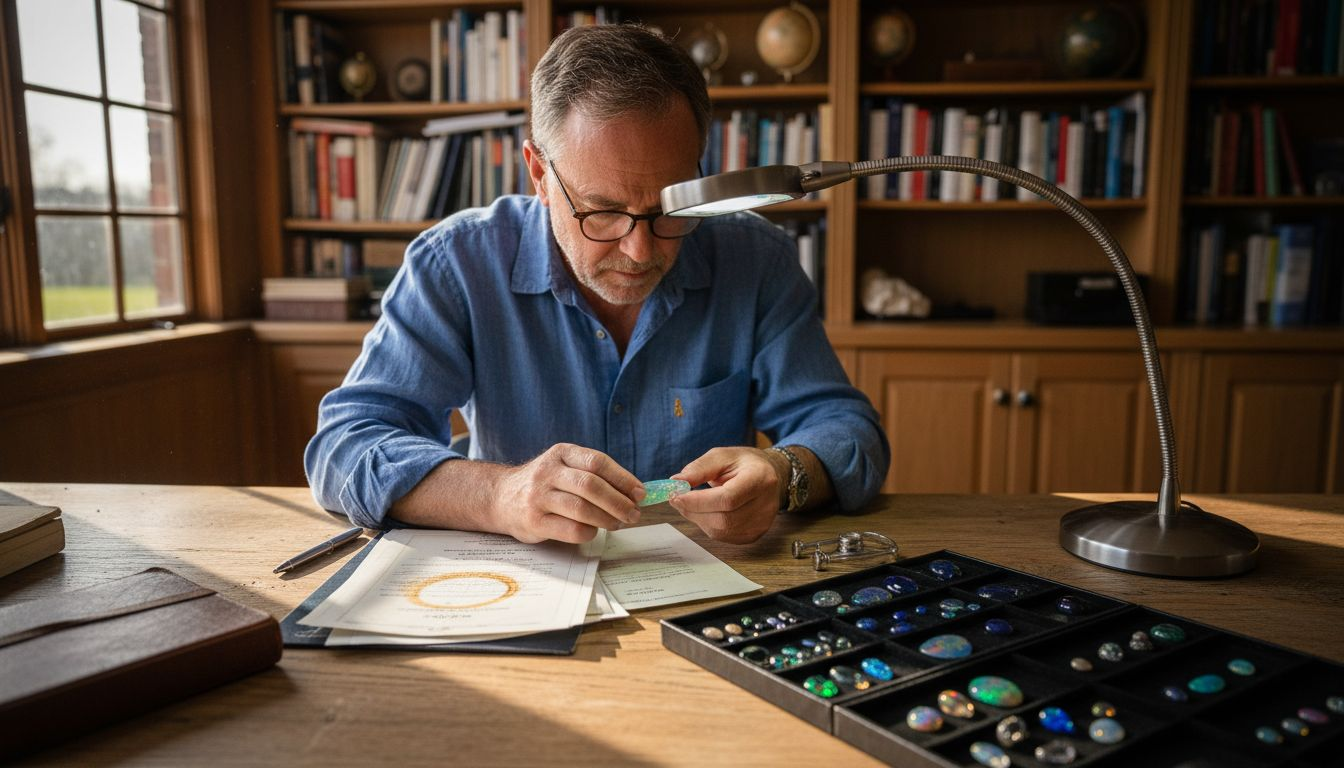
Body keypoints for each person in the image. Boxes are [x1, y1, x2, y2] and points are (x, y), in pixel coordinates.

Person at [306, 24, 889, 546]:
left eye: (669, 208)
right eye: (602, 212)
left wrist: (784, 475)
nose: (639, 251)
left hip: (706, 601)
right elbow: (344, 448)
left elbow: (850, 434)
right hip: (519, 597)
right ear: (539, 172)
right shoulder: (456, 265)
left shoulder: (754, 259)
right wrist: (501, 496)